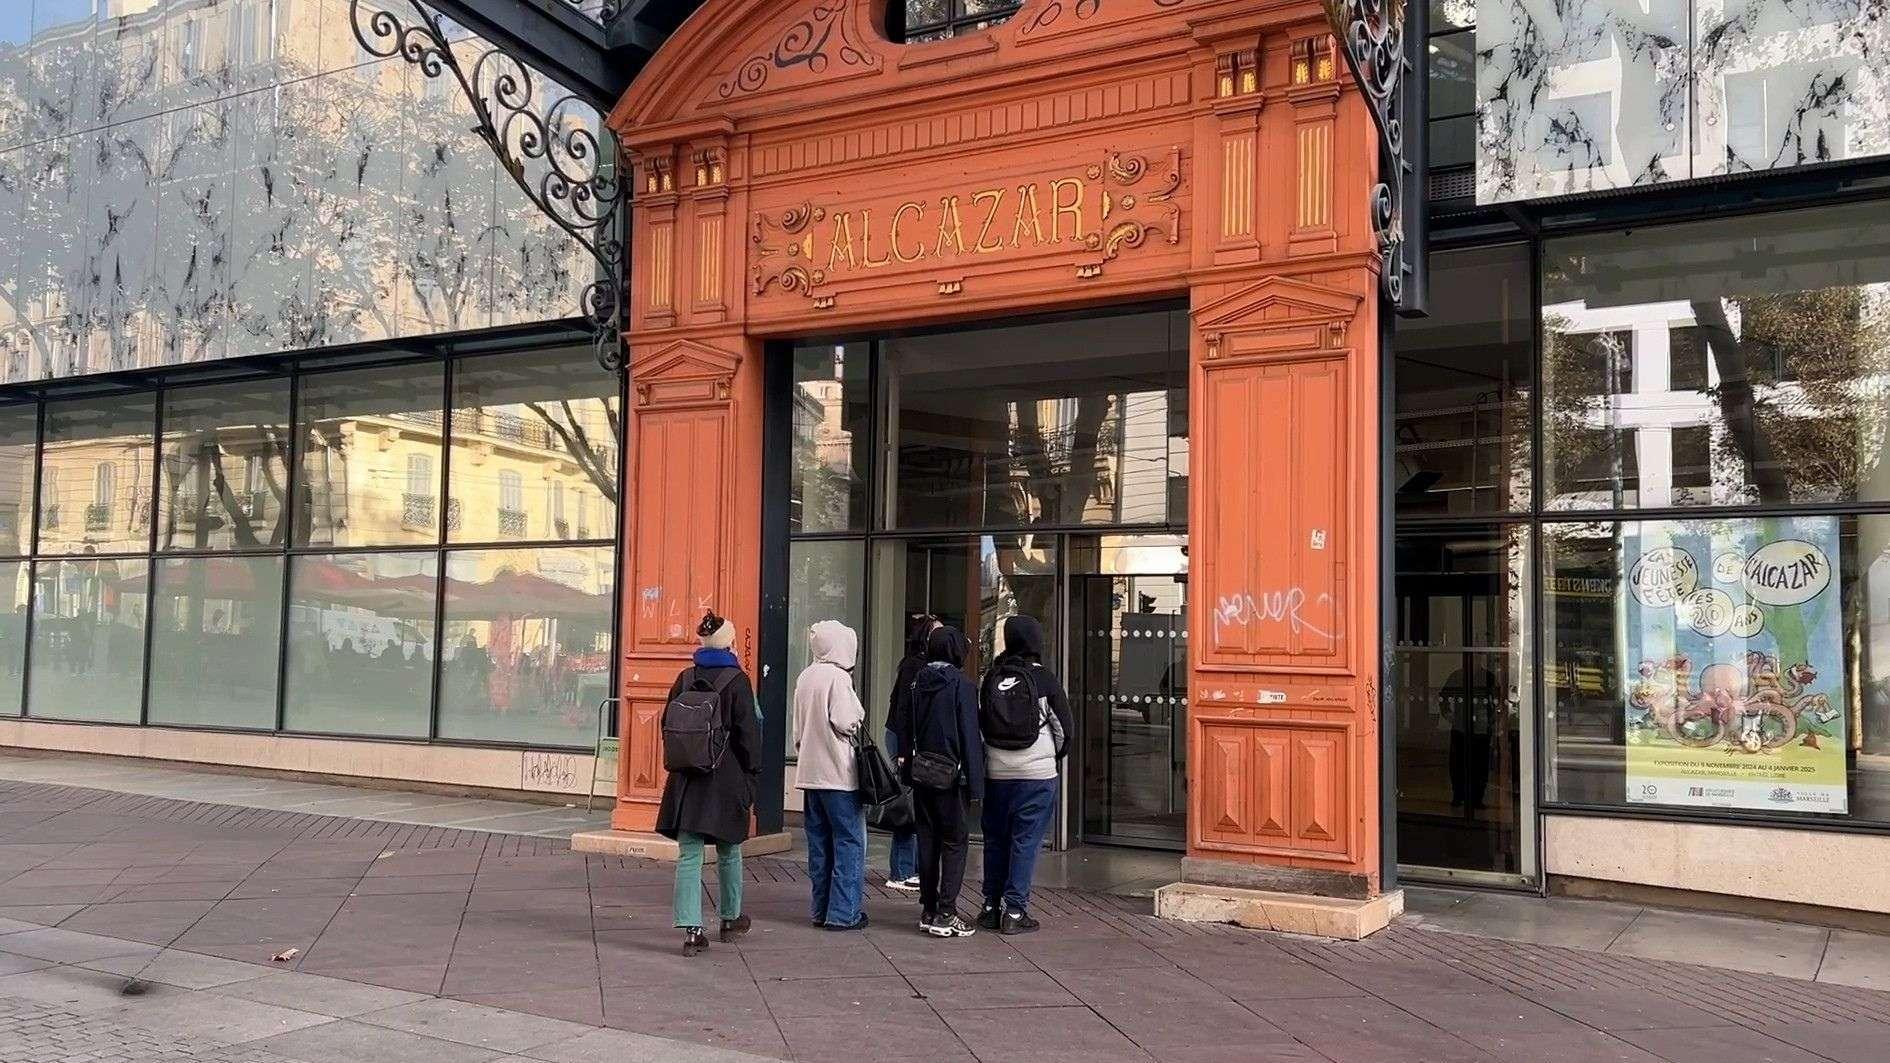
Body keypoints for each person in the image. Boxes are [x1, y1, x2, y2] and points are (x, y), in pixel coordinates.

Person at [656, 611, 763, 956]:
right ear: (730, 643)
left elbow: (666, 726)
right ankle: (730, 918)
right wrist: (752, 775)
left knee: (689, 855)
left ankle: (691, 929)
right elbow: (749, 735)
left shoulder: (684, 677)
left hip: (687, 780)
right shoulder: (737, 681)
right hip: (726, 778)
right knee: (730, 849)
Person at [978, 615, 1073, 935]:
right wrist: (1048, 758)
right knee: (1024, 843)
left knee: (995, 841)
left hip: (995, 773)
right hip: (1036, 776)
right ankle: (1015, 911)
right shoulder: (1045, 679)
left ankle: (989, 907)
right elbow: (1065, 730)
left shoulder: (991, 677)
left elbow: (982, 724)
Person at [906, 625, 984, 938]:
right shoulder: (962, 686)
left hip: (922, 771)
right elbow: (969, 735)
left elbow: (906, 724)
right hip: (952, 775)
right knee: (954, 840)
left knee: (927, 839)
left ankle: (928, 907)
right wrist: (976, 784)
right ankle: (947, 912)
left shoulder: (918, 681)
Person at [792, 620, 869, 931]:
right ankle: (843, 913)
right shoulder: (838, 678)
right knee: (849, 843)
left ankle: (820, 909)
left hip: (809, 773)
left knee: (820, 845)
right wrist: (859, 713)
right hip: (838, 774)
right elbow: (846, 721)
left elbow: (798, 730)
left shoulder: (805, 677)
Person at [882, 612, 937, 891]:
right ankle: (901, 871)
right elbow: (904, 710)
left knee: (914, 803)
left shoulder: (918, 665)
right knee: (907, 805)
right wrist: (905, 751)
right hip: (904, 739)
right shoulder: (915, 666)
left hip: (906, 739)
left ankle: (911, 868)